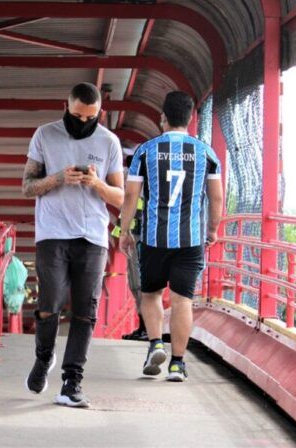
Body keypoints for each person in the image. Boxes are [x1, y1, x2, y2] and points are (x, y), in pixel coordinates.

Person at [22, 82, 124, 407]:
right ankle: (43, 356)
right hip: (52, 232)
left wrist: (97, 184)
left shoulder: (110, 142)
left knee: (85, 311)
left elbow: (121, 197)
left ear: (99, 114)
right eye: (77, 116)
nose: (83, 122)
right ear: (65, 107)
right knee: (49, 302)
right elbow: (27, 186)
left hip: (93, 236)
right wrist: (58, 178)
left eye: (90, 118)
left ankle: (72, 382)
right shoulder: (44, 135)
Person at [119, 91, 223, 382]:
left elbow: (130, 194)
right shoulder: (206, 153)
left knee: (150, 294)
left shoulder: (145, 151)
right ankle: (177, 364)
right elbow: (216, 198)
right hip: (190, 239)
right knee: (182, 300)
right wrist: (212, 229)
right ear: (189, 119)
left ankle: (155, 345)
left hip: (154, 238)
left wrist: (124, 230)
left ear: (162, 117)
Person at [114, 154, 147, 341]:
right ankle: (145, 328)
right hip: (143, 235)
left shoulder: (134, 181)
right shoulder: (152, 180)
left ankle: (146, 329)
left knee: (138, 284)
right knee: (139, 285)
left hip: (136, 235)